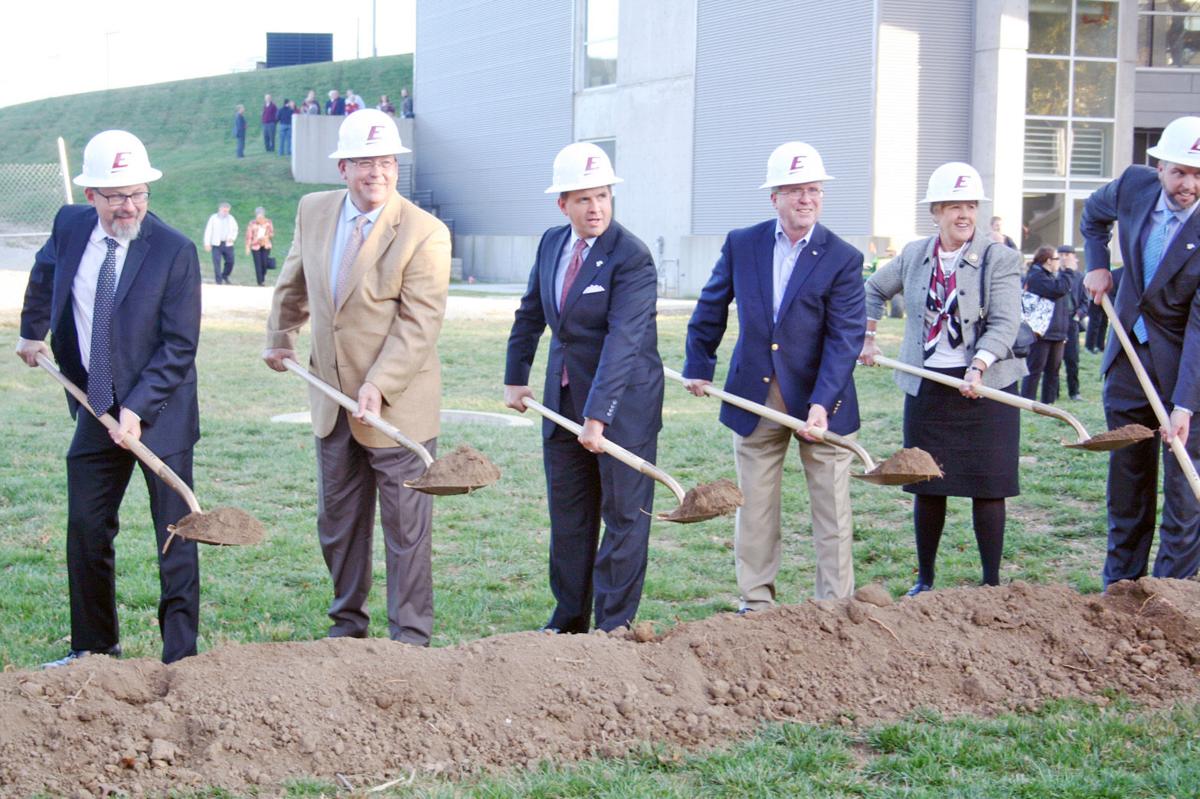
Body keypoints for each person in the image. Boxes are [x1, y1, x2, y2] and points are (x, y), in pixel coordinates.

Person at [15, 130, 202, 666]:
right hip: (95, 404)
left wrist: (138, 410)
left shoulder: (174, 251)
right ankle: (94, 647)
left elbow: (179, 345)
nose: (129, 205)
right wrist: (32, 331)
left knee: (177, 532)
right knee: (87, 527)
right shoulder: (69, 225)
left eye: (138, 193)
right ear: (91, 194)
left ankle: (181, 658)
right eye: (116, 195)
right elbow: (46, 269)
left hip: (159, 412)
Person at [263, 110, 450, 644]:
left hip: (398, 407)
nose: (378, 173)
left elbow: (420, 324)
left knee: (406, 529)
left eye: (387, 162)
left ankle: (410, 638)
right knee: (339, 525)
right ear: (343, 167)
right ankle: (348, 626)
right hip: (330, 398)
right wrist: (281, 336)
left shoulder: (424, 233)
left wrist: (379, 384)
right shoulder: (313, 211)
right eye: (366, 162)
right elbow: (293, 281)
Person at [683, 142, 864, 608]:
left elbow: (845, 339)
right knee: (756, 508)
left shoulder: (842, 257)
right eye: (795, 190)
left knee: (832, 511)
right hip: (755, 396)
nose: (806, 198)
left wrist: (822, 404)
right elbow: (710, 305)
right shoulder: (743, 244)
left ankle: (834, 604)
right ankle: (757, 602)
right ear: (774, 197)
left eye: (813, 190)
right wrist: (699, 365)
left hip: (822, 401)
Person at [504, 142, 663, 633]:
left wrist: (599, 417)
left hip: (622, 406)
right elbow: (532, 311)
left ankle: (613, 625)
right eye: (583, 199)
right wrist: (516, 375)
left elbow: (624, 341)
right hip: (564, 402)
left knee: (623, 519)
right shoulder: (552, 243)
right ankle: (569, 619)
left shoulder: (631, 257)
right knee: (570, 520)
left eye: (603, 197)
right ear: (563, 204)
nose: (596, 209)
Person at [861, 162, 1025, 594]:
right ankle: (926, 580)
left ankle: (991, 583)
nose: (964, 215)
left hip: (986, 388)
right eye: (954, 206)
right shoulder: (916, 255)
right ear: (936, 211)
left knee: (988, 485)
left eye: (971, 205)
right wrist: (869, 336)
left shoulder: (999, 258)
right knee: (926, 483)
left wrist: (980, 364)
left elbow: (1006, 322)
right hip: (929, 386)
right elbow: (873, 289)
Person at [1080, 116, 1200, 586]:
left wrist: (1185, 404)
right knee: (1128, 483)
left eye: (1198, 175)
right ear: (1160, 167)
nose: (1189, 184)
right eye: (1179, 172)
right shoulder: (1132, 185)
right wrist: (1097, 266)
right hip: (1128, 352)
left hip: (1186, 368)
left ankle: (1168, 595)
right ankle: (1121, 589)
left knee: (1184, 493)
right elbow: (1093, 215)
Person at [1020, 245, 1073, 403]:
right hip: (1041, 333)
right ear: (1049, 261)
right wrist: (1068, 271)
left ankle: (1048, 404)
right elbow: (1058, 290)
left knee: (1053, 371)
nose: (1059, 262)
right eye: (1057, 259)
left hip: (1056, 332)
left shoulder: (1051, 276)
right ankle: (1026, 401)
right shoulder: (1036, 276)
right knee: (1035, 369)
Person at [1059, 244, 1086, 400]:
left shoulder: (1079, 277)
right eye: (1061, 255)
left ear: (1073, 257)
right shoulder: (1054, 275)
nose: (1064, 258)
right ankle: (1052, 392)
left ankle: (1074, 392)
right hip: (1056, 322)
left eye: (1067, 255)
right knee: (1053, 360)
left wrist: (1078, 315)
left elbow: (1085, 302)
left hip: (1071, 321)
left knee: (1072, 359)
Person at [203, 202, 238, 285]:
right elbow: (208, 230)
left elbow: (235, 229)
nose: (226, 213)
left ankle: (225, 275)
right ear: (220, 209)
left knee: (230, 261)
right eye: (224, 210)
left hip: (227, 244)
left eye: (227, 211)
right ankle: (218, 281)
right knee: (217, 263)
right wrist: (207, 243)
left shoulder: (231, 218)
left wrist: (232, 238)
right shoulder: (213, 218)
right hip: (216, 244)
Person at [245, 207, 274, 286]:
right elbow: (249, 236)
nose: (259, 218)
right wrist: (247, 247)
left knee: (264, 263)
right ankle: (260, 282)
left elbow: (272, 233)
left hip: (266, 245)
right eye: (258, 217)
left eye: (261, 217)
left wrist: (266, 237)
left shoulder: (268, 222)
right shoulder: (252, 223)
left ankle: (263, 277)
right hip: (255, 246)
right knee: (258, 264)